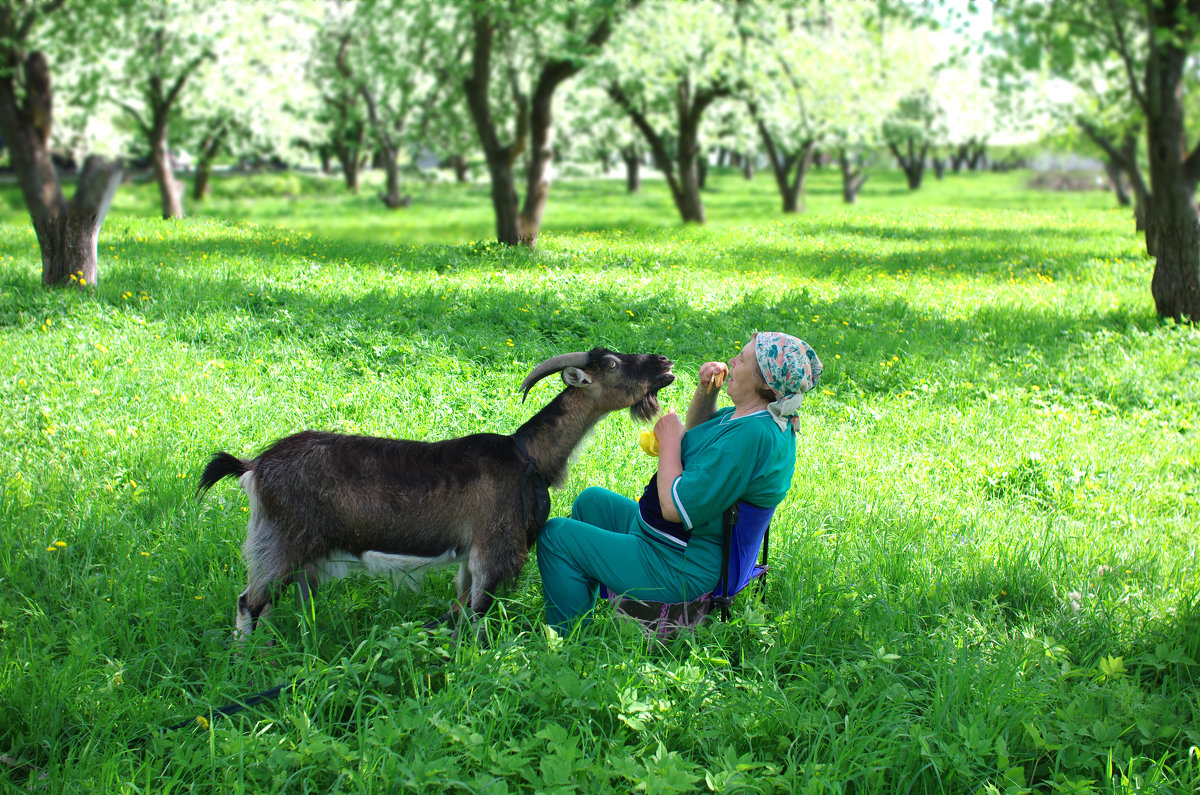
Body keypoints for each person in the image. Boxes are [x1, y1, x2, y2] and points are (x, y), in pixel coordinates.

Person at [536, 331, 823, 632]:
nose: (732, 361)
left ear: (765, 381)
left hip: (680, 565)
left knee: (556, 537)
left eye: (743, 359)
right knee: (591, 501)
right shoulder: (750, 417)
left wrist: (670, 441)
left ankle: (569, 645)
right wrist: (706, 392)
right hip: (667, 542)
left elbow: (676, 508)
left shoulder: (753, 437)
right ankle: (587, 611)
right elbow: (700, 436)